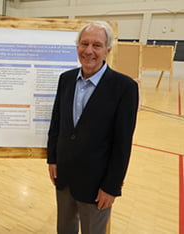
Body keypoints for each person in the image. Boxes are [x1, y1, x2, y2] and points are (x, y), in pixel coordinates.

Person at [47, 21, 139, 234]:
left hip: (97, 185)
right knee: (64, 229)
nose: (89, 51)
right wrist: (52, 158)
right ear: (77, 46)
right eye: (84, 44)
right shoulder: (66, 79)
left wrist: (112, 186)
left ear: (108, 50)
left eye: (96, 45)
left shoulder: (125, 88)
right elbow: (57, 121)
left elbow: (122, 144)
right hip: (65, 176)